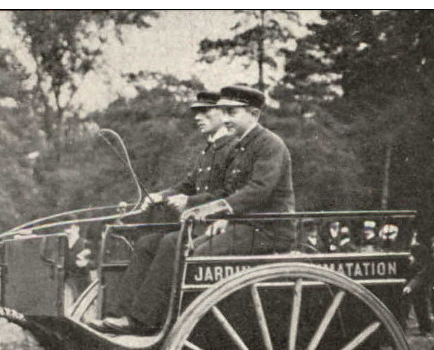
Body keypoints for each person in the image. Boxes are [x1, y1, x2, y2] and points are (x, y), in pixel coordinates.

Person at [92, 85, 294, 334]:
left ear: (254, 113)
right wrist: (221, 216)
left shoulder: (269, 145)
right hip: (241, 225)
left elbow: (257, 190)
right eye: (224, 112)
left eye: (231, 112)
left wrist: (211, 210)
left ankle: (146, 321)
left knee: (177, 245)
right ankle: (122, 314)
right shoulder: (242, 146)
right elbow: (229, 190)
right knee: (151, 244)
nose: (226, 119)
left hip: (266, 229)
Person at [400, 230, 433, 335]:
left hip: (419, 280)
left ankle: (425, 329)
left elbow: (424, 266)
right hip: (406, 279)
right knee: (404, 306)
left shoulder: (421, 249)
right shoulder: (403, 248)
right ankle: (401, 328)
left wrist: (412, 263)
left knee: (421, 305)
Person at [63, 222, 95, 307]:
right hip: (68, 283)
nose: (68, 231)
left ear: (77, 228)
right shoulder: (63, 245)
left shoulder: (85, 244)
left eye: (71, 228)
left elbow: (95, 263)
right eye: (66, 228)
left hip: (82, 282)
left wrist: (86, 263)